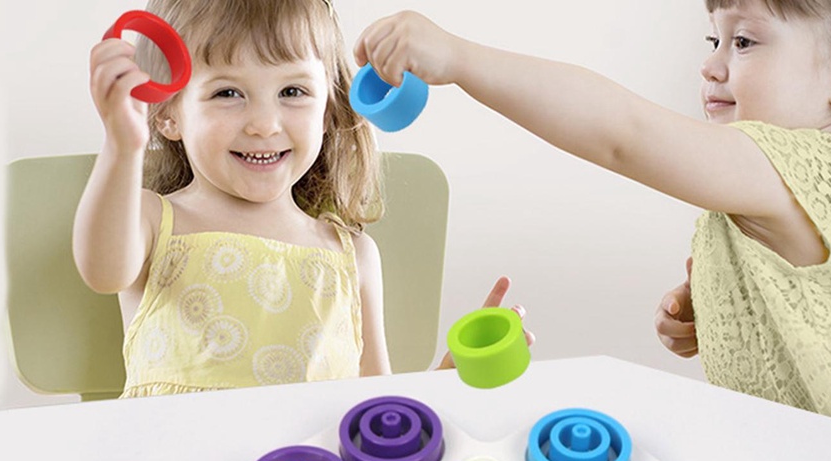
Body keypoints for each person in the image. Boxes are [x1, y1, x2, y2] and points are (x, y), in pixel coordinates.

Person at [354, 1, 831, 438]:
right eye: (715, 40)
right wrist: (720, 309)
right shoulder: (809, 186)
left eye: (743, 41)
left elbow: (623, 134)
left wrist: (458, 57)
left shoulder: (808, 165)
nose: (710, 65)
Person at [74, 0, 527, 396]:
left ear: (328, 109)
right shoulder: (152, 220)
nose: (264, 124)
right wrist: (122, 146)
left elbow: (375, 408)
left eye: (292, 91)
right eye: (228, 92)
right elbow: (102, 271)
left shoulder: (352, 256)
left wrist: (451, 380)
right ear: (168, 114)